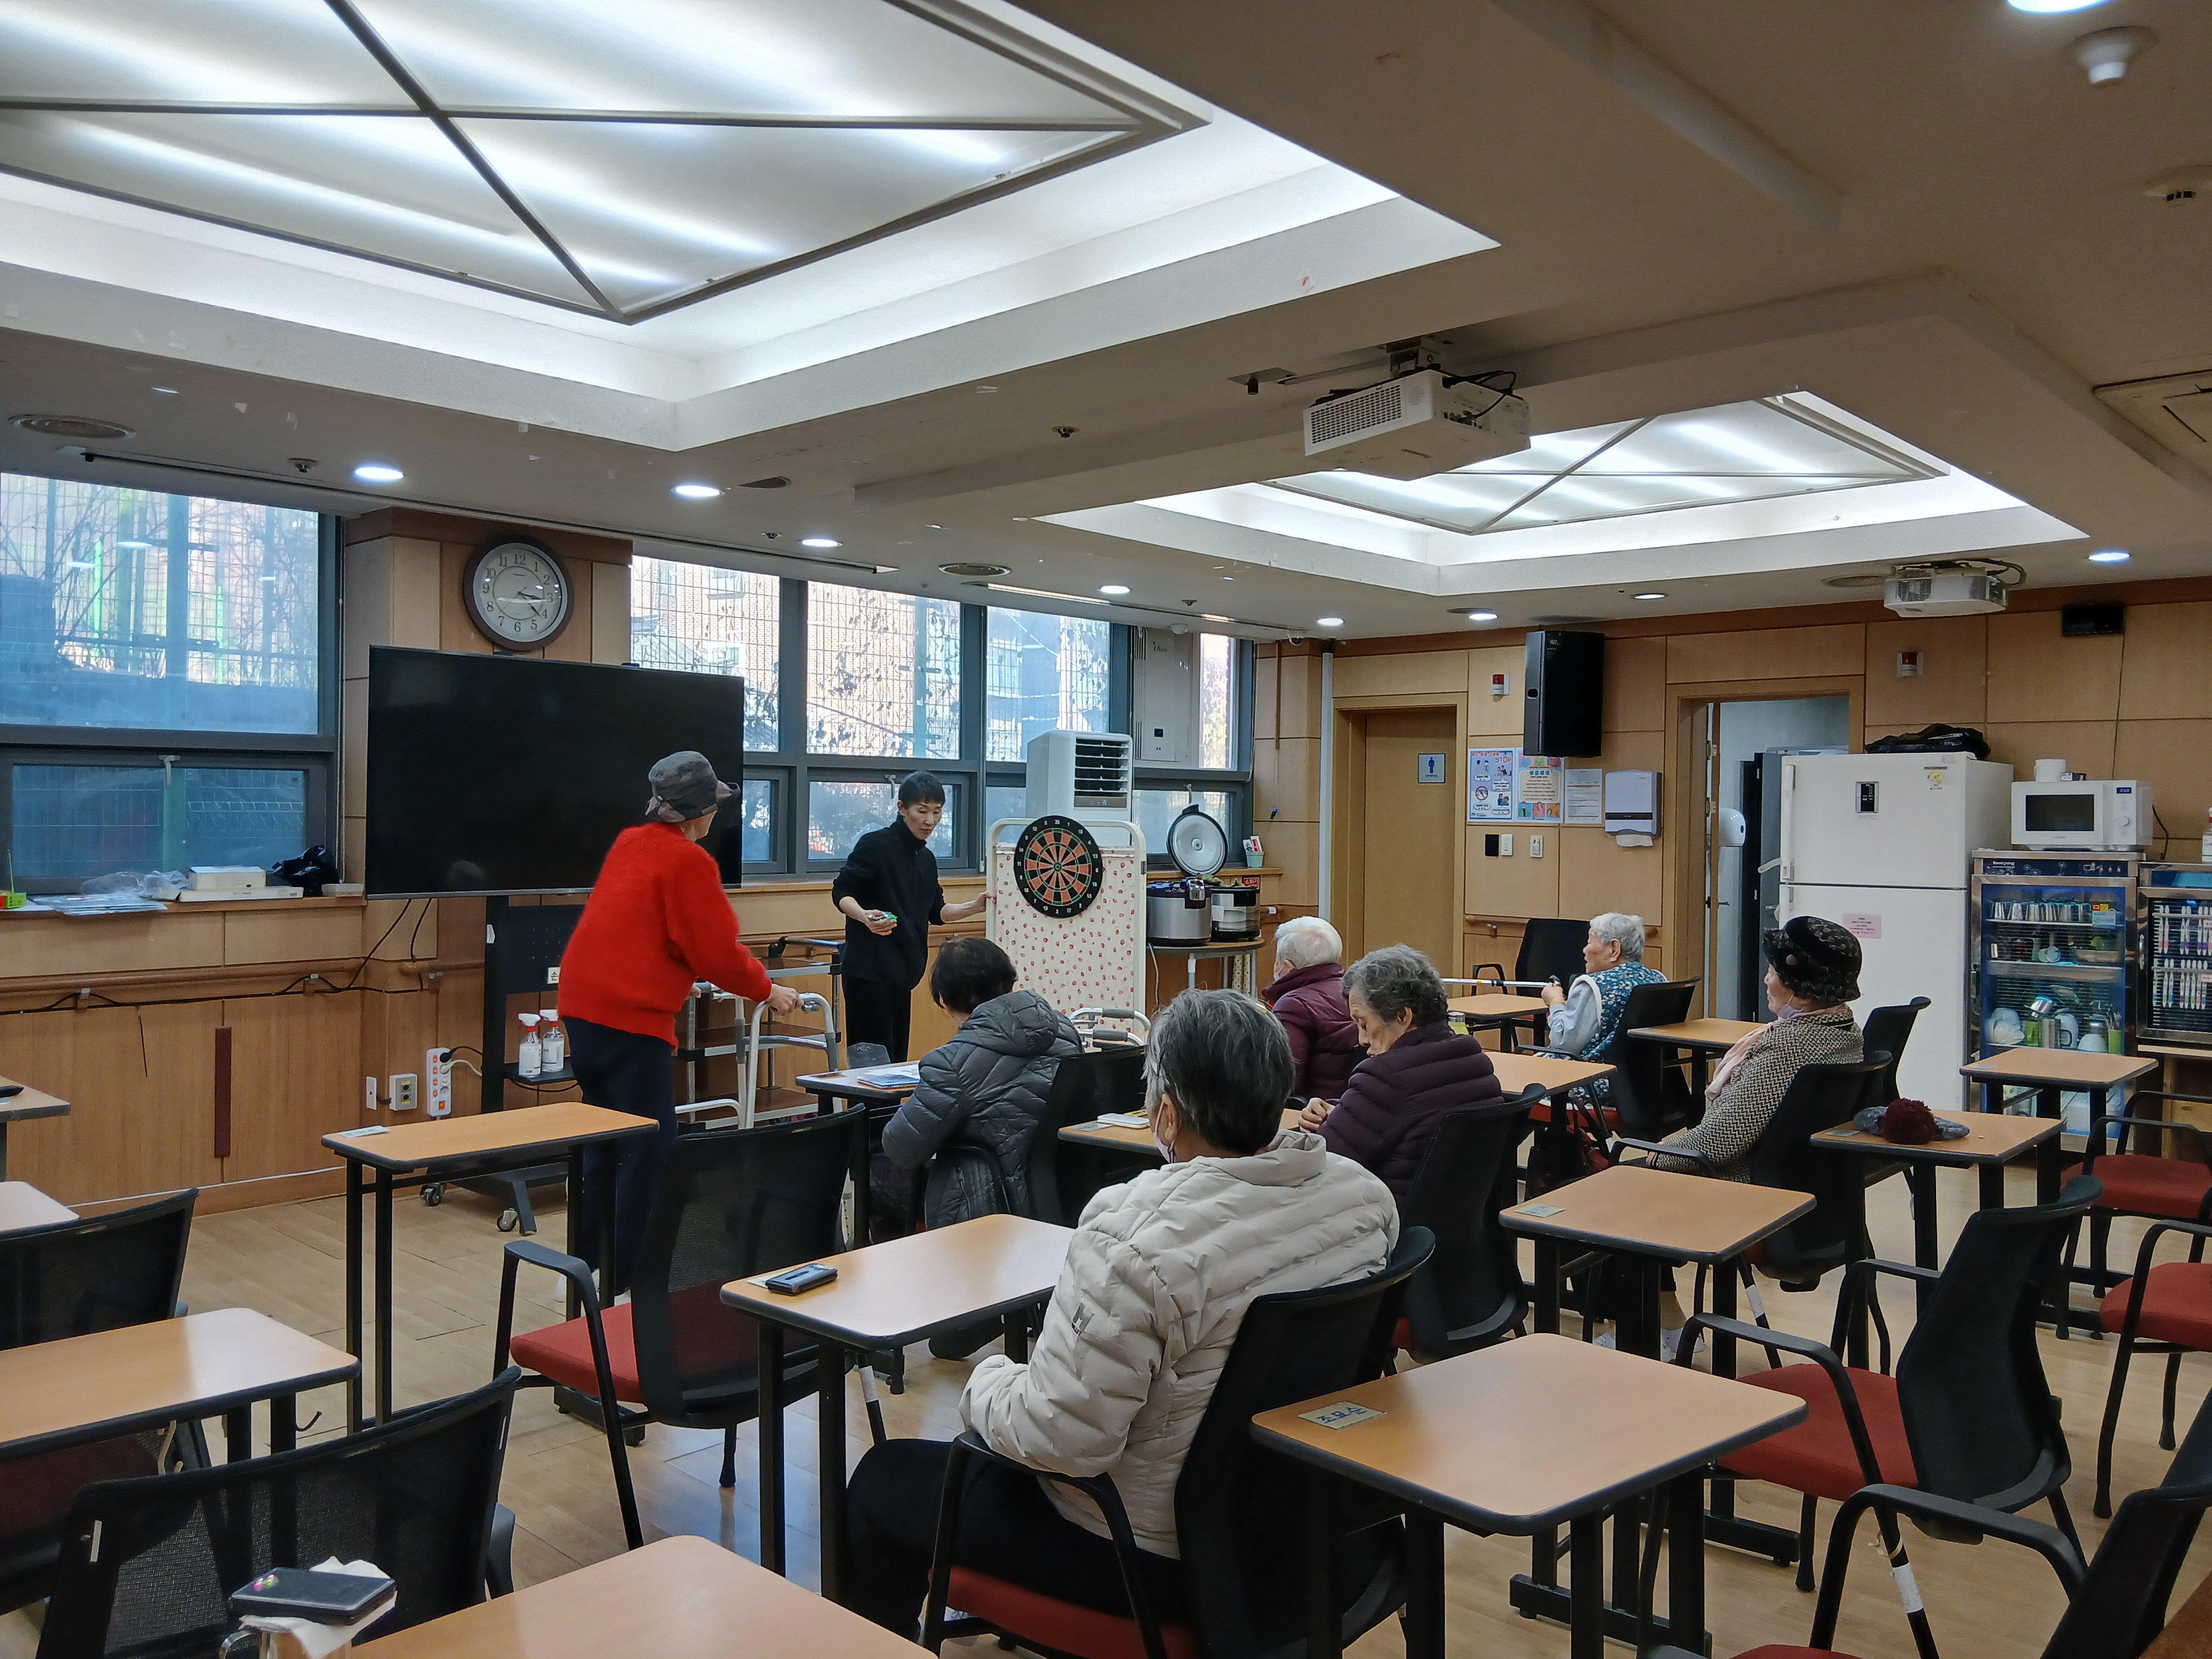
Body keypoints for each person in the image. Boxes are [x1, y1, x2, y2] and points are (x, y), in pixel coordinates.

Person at [843, 989, 1398, 1637]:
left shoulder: (1134, 1236)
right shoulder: (1362, 1198)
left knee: (884, 1479)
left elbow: (1063, 1442)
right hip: (1294, 1520)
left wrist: (988, 1383)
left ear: (1167, 1114)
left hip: (1145, 1554)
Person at [557, 750, 802, 1288]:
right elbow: (715, 952)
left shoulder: (629, 843)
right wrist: (768, 989)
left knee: (602, 1140)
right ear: (699, 812)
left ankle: (583, 1267)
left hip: (583, 1009)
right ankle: (626, 1281)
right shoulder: (690, 862)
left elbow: (630, 928)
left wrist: (671, 974)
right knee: (648, 1150)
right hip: (630, 1021)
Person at [884, 937, 1081, 1356]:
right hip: (1059, 1194)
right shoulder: (1065, 1032)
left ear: (945, 999)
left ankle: (904, 1313)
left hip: (988, 1205)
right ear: (1009, 981)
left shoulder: (953, 1062)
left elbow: (902, 1148)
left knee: (880, 1172)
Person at [1652, 915, 1864, 1182]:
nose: (1766, 980)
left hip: (1733, 1180)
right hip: (1800, 1177)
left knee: (1620, 1177)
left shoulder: (1786, 1048)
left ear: (1803, 994)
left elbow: (1720, 1141)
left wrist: (1659, 1154)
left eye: (1773, 973)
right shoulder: (1847, 1031)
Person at [1298, 944, 1500, 1203]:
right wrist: (1340, 1112)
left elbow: (1320, 1165)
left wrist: (1321, 1130)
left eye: (1364, 1023)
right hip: (1457, 1219)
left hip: (1383, 1218)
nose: (1361, 1040)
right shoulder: (1475, 1061)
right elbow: (1403, 1113)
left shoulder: (1387, 1076)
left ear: (1403, 1016)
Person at [832, 772, 988, 1060]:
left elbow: (937, 912)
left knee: (895, 1063)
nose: (930, 820)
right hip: (869, 973)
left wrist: (976, 907)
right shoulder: (875, 845)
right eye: (922, 811)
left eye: (937, 812)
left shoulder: (926, 859)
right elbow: (842, 892)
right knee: (871, 1065)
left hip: (902, 975)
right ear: (902, 808)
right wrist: (864, 916)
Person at [1537, 911, 1666, 1096]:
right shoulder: (1657, 979)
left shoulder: (1593, 986)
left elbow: (1564, 1045)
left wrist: (1556, 1003)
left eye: (1590, 941)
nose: (1585, 950)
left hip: (1591, 1086)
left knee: (1518, 1078)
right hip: (1646, 1088)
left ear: (1614, 949)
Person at [1261, 915, 1362, 1102]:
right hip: (1350, 1103)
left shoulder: (1293, 1005)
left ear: (1288, 966)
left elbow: (1282, 1080)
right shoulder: (1356, 990)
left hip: (1312, 1110)